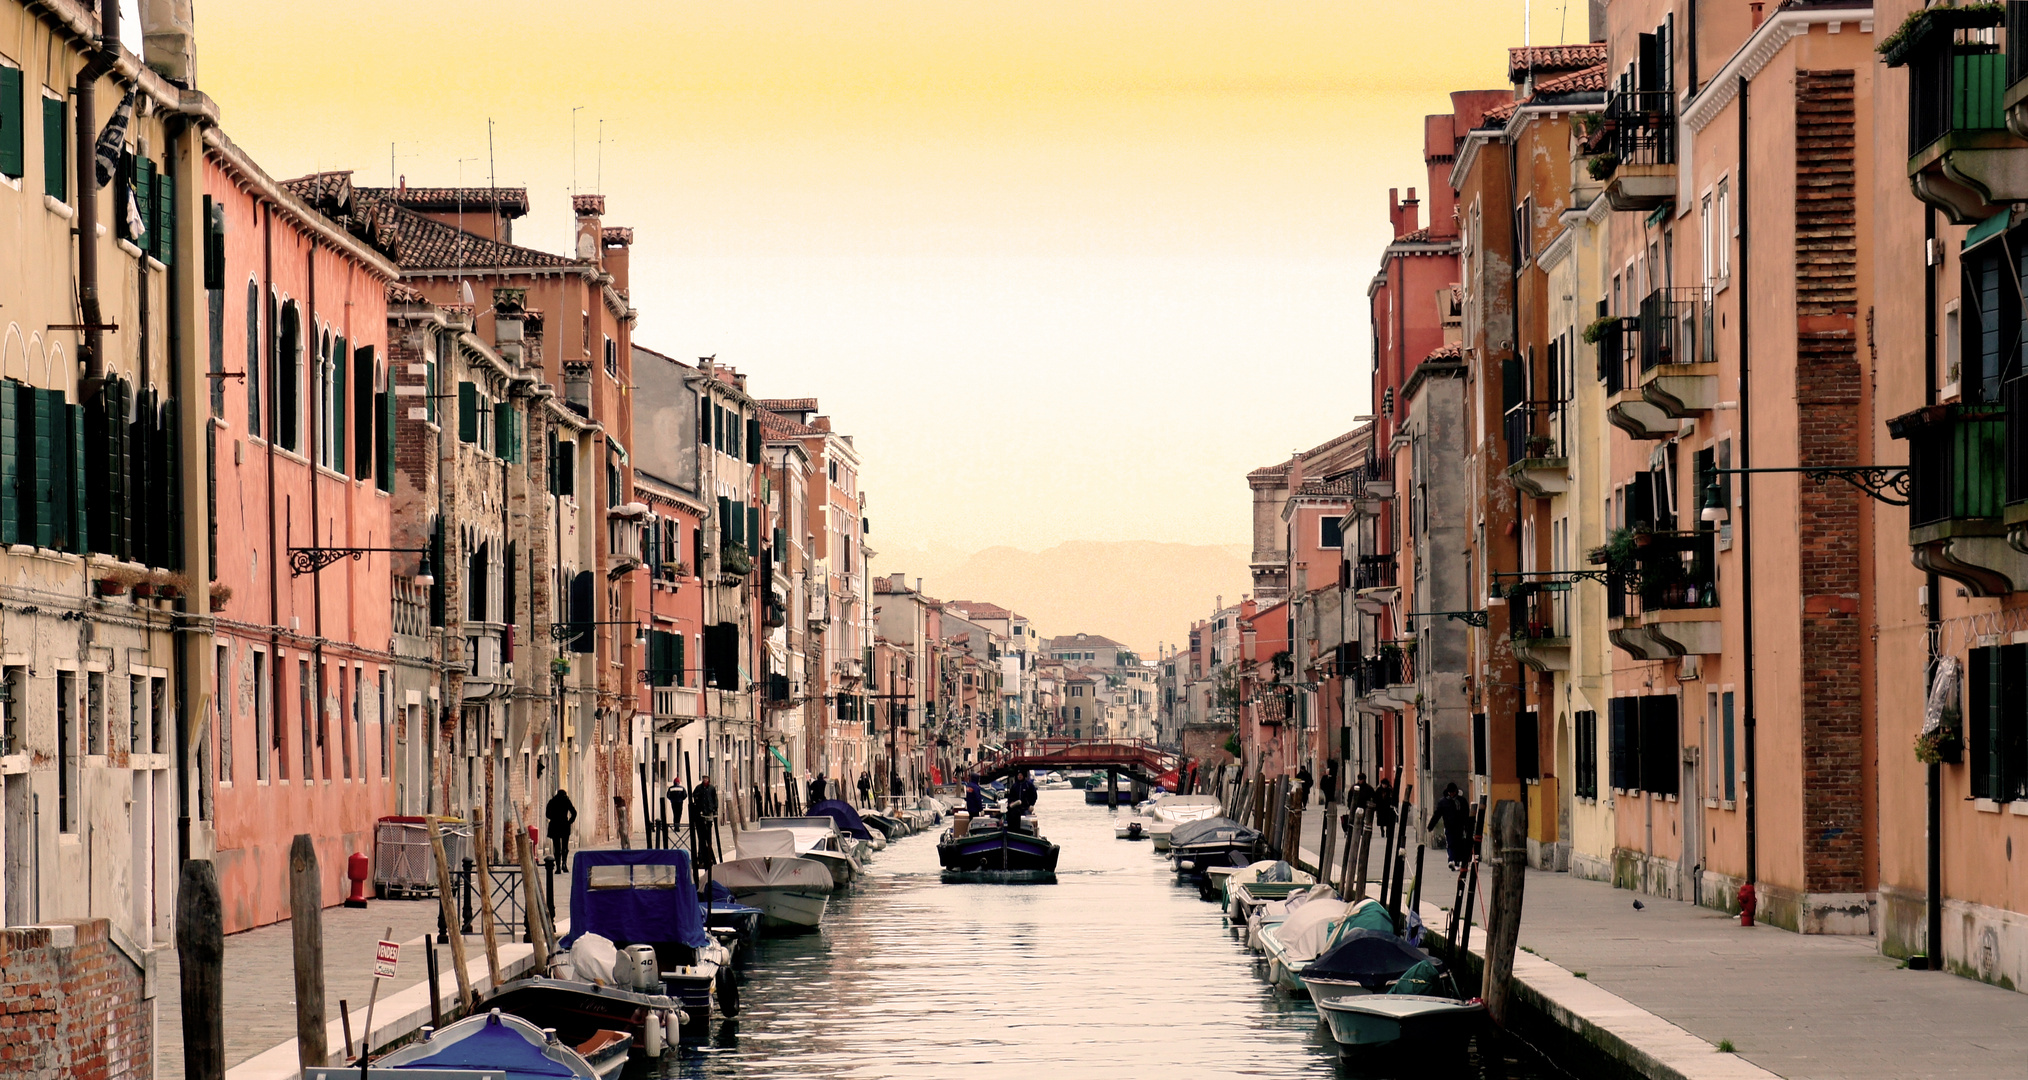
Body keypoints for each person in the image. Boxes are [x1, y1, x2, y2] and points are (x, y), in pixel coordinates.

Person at [1428, 783, 1474, 870]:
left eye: (1453, 792)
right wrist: (1431, 826)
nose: (1452, 794)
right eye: (1450, 792)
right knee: (1450, 843)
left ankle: (1456, 862)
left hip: (1460, 827)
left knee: (1459, 844)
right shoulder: (1443, 802)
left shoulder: (1461, 801)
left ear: (1456, 791)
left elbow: (1466, 814)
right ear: (1448, 792)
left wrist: (1468, 827)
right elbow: (1437, 815)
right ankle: (1451, 860)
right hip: (1449, 827)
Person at [692, 776, 720, 869]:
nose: (705, 780)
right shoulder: (698, 788)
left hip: (709, 811)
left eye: (706, 779)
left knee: (706, 836)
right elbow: (694, 795)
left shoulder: (711, 788)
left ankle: (706, 857)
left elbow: (715, 798)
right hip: (700, 813)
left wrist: (715, 808)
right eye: (703, 778)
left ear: (708, 780)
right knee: (702, 837)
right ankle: (703, 857)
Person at [545, 788, 578, 867]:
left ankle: (558, 866)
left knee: (556, 847)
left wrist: (553, 818)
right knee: (564, 846)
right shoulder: (566, 801)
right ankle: (564, 863)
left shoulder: (552, 801)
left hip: (554, 825)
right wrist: (569, 822)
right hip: (564, 825)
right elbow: (574, 812)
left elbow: (547, 814)